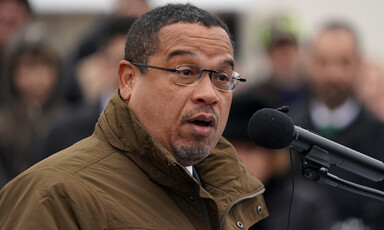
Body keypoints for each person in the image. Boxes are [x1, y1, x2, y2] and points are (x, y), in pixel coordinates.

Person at [0, 4, 268, 229]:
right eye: (185, 72)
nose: (209, 94)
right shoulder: (53, 195)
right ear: (128, 80)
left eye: (222, 77)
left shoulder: (234, 191)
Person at [290, 20, 384, 229]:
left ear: (359, 64)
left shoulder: (380, 136)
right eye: (323, 62)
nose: (333, 75)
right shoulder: (286, 132)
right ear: (310, 64)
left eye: (344, 62)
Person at [223, 96, 336, 230]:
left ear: (272, 155)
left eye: (250, 150)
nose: (240, 159)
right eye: (232, 149)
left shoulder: (305, 206)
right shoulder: (209, 200)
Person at [42, 16, 137, 157]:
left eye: (137, 64)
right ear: (103, 61)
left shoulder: (165, 134)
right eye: (121, 62)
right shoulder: (64, 132)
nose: (130, 74)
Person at [0, 23, 68, 185]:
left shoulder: (69, 120)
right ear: (12, 73)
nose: (36, 75)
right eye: (28, 66)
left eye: (44, 65)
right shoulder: (3, 124)